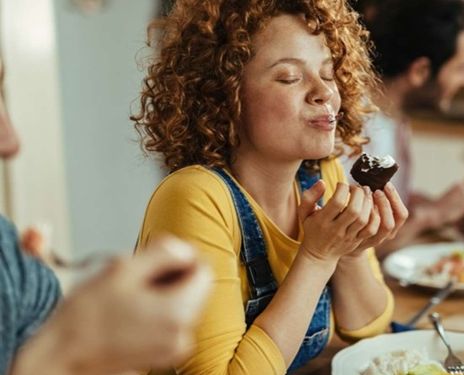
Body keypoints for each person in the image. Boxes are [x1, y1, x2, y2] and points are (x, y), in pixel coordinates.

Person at [132, 0, 408, 373]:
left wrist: (351, 251)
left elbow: (369, 327)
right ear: (226, 96)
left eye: (328, 73)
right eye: (290, 78)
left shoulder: (321, 176)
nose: (323, 92)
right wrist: (317, 258)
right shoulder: (195, 198)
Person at [0, 54, 212, 374]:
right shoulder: (194, 193)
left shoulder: (14, 265)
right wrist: (67, 354)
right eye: (288, 78)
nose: (11, 142)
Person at [343, 0, 464, 256]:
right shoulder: (354, 129)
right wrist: (432, 215)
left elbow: (383, 204)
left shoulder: (393, 114)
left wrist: (444, 211)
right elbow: (349, 246)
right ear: (420, 71)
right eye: (462, 68)